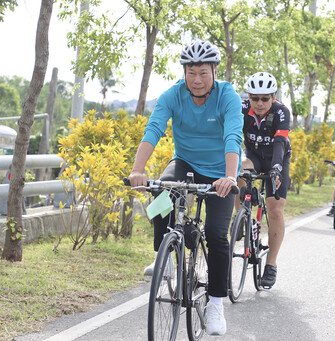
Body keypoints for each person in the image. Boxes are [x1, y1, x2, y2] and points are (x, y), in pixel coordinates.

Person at [128, 40, 243, 336]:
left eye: (203, 72)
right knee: (160, 192)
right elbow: (154, 128)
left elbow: (233, 135)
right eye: (191, 73)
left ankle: (216, 304)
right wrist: (138, 170)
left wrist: (230, 176)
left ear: (214, 71)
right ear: (184, 72)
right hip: (186, 162)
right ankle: (165, 258)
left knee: (218, 236)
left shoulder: (227, 95)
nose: (197, 80)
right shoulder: (173, 95)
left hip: (220, 173)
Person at [236, 71, 291, 288]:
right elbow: (231, 135)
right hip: (254, 156)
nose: (259, 103)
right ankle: (241, 214)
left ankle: (271, 264)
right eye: (254, 98)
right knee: (242, 170)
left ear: (273, 96)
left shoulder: (281, 112)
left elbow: (279, 143)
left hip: (277, 158)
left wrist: (276, 169)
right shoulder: (241, 109)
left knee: (275, 208)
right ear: (248, 96)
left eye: (265, 98)